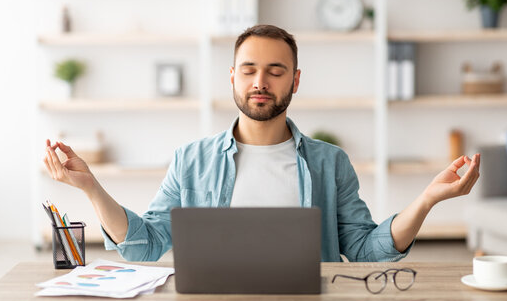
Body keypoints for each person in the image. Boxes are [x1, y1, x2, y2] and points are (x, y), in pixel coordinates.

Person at [44, 24, 480, 262]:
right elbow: (146, 245)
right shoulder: (191, 160)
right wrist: (90, 187)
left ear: (295, 79)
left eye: (276, 70)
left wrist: (425, 201)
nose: (260, 82)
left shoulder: (330, 162)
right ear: (232, 77)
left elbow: (366, 249)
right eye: (248, 69)